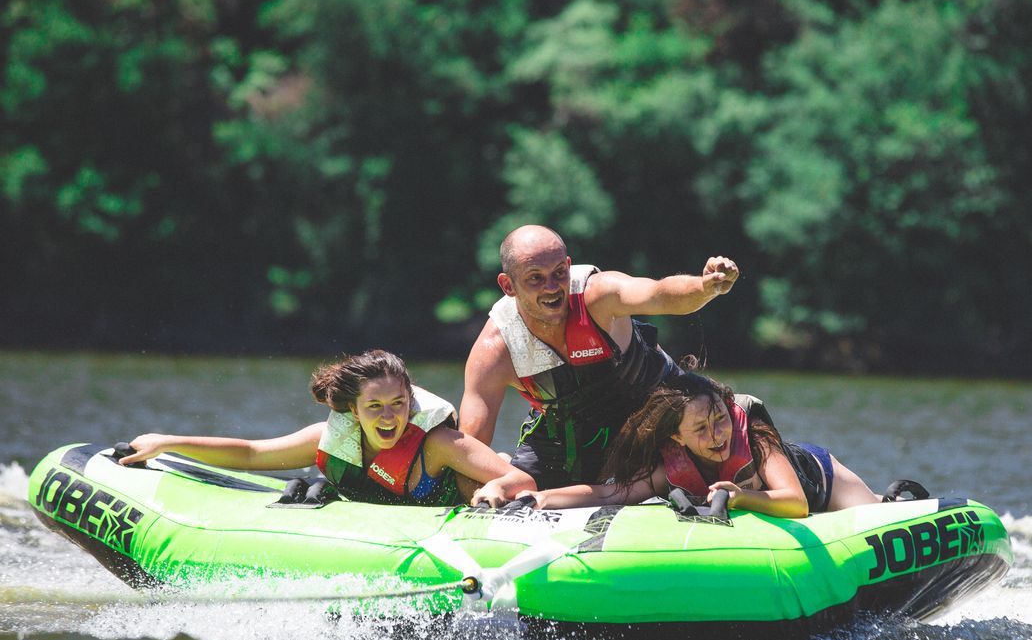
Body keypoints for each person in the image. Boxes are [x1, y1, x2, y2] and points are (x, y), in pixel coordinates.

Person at [462, 224, 739, 499]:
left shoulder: (598, 295)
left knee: (699, 463)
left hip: (655, 414)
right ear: (508, 285)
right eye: (535, 278)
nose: (552, 288)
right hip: (568, 432)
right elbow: (470, 449)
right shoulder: (495, 350)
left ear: (569, 265)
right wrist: (476, 498)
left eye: (559, 273)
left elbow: (658, 294)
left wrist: (703, 287)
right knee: (518, 490)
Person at [121, 350, 534, 506]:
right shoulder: (331, 439)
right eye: (374, 407)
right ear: (354, 410)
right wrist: (167, 443)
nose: (388, 417)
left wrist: (497, 488)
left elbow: (521, 480)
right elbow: (251, 452)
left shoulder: (440, 444)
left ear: (410, 403)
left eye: (398, 404)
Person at [518, 372, 882, 518]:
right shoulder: (670, 467)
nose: (718, 434)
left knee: (878, 513)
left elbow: (796, 502)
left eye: (721, 418)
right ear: (677, 437)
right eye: (701, 429)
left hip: (821, 479)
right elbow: (612, 493)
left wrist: (740, 497)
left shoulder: (756, 438)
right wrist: (541, 498)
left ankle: (887, 499)